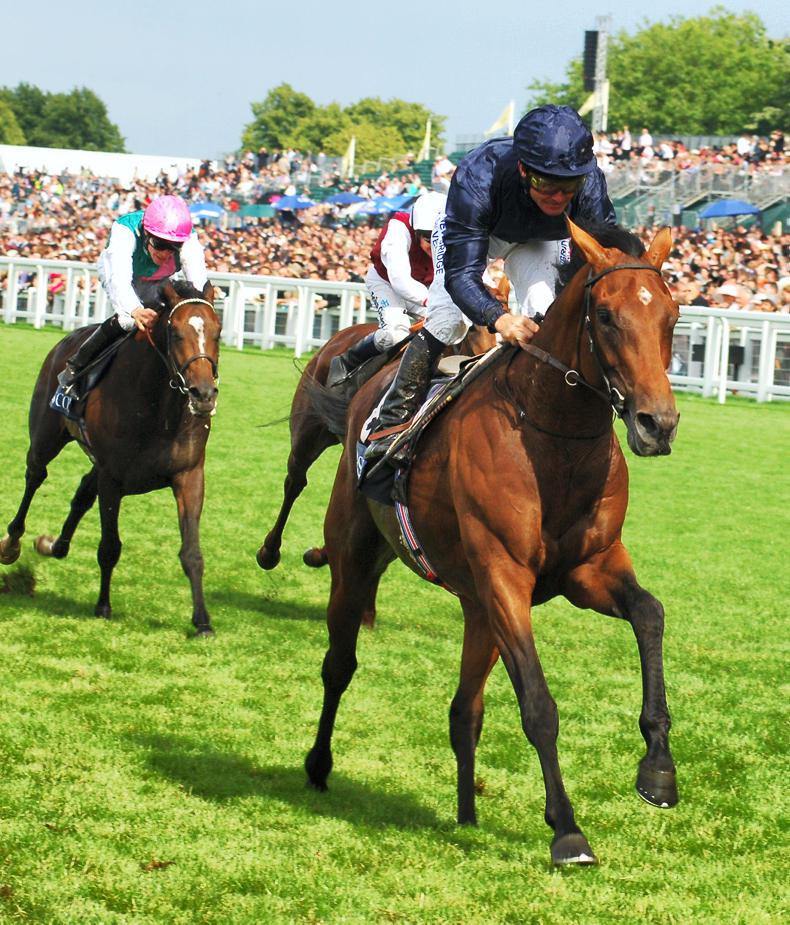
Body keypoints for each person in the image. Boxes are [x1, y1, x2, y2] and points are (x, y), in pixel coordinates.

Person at [365, 104, 616, 464]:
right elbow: (461, 275)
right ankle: (391, 420)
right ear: (523, 169)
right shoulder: (479, 174)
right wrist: (499, 318)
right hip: (481, 233)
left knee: (546, 312)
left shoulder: (590, 181)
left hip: (541, 239)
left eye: (569, 186)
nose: (558, 197)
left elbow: (602, 257)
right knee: (448, 320)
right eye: (545, 184)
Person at [58, 195, 208, 399]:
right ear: (146, 233)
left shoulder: (188, 240)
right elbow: (119, 279)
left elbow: (197, 283)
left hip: (160, 278)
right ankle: (74, 368)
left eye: (173, 247)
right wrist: (135, 310)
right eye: (159, 244)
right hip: (119, 273)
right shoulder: (124, 230)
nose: (165, 253)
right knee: (128, 321)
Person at [327, 191, 447, 385]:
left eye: (440, 239)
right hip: (387, 283)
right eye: (428, 238)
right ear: (416, 231)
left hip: (425, 288)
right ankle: (347, 361)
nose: (434, 246)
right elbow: (399, 278)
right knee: (395, 335)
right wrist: (431, 301)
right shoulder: (398, 228)